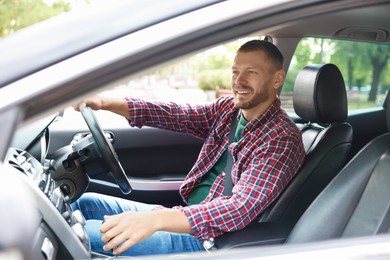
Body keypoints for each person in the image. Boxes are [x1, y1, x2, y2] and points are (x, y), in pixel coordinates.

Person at [72, 39, 305, 257]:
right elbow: (177, 115)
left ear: (277, 79)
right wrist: (106, 103)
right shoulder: (228, 111)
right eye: (235, 71)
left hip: (209, 241)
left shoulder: (282, 138)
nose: (238, 81)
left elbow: (239, 208)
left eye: (251, 72)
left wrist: (156, 220)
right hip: (187, 216)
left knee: (79, 236)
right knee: (84, 204)